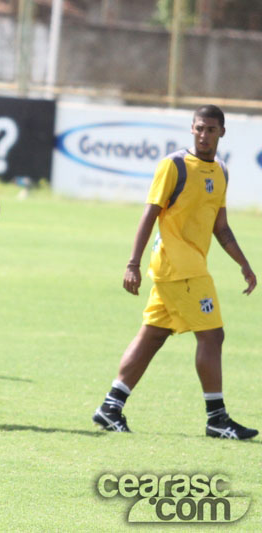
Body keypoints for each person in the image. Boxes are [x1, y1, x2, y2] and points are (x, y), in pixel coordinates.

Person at [92, 105, 258, 440]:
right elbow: (149, 214)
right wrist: (132, 263)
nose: (204, 135)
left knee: (153, 335)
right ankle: (217, 418)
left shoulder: (221, 171)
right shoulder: (175, 165)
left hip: (187, 267)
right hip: (179, 268)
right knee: (212, 335)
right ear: (191, 129)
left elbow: (220, 227)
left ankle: (110, 407)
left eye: (211, 129)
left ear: (222, 133)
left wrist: (243, 262)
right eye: (199, 128)